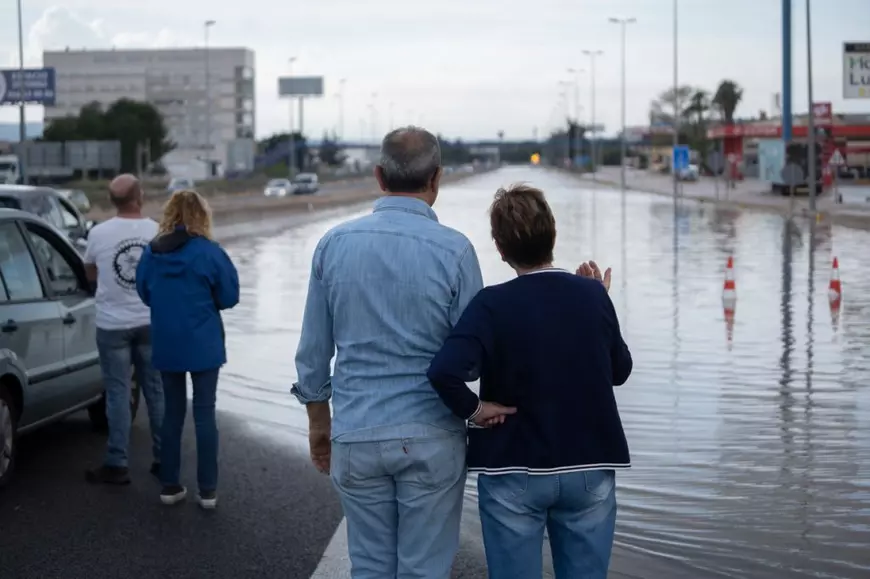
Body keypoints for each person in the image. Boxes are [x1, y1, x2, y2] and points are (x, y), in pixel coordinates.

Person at [293, 126, 514, 579]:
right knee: (424, 570)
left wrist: (319, 422)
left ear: (378, 175)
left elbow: (314, 350)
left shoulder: (333, 245)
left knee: (370, 567)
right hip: (432, 436)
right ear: (436, 179)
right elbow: (472, 356)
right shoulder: (455, 250)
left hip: (356, 431)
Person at [427, 184, 633, 579]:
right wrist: (599, 301)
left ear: (500, 249)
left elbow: (444, 371)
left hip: (512, 469)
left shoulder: (490, 303)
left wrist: (475, 410)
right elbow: (619, 372)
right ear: (552, 233)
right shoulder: (592, 296)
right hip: (589, 467)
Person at [135, 189, 239, 509]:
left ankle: (170, 485)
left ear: (170, 214)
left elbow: (144, 291)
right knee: (205, 414)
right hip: (204, 342)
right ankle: (207, 490)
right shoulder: (209, 252)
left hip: (167, 341)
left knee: (172, 414)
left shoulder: (152, 253)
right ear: (201, 216)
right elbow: (230, 296)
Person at [84, 174, 164, 486]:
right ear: (139, 196)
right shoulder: (157, 231)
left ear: (113, 201)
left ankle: (117, 462)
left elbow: (90, 271)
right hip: (150, 322)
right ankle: (163, 459)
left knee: (117, 394)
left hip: (112, 325)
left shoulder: (98, 233)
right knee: (156, 392)